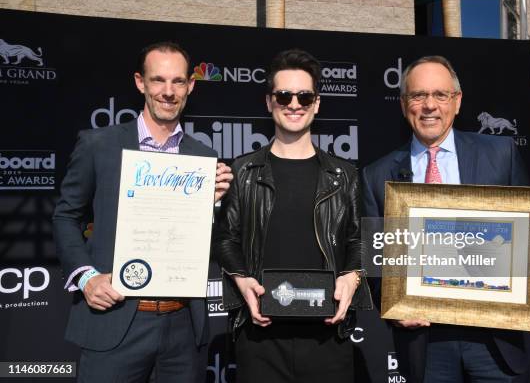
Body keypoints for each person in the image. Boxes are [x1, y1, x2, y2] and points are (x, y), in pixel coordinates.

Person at [361, 55, 530, 383]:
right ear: (404, 105)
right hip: (427, 344)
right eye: (418, 96)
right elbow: (376, 263)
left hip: (496, 339)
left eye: (440, 95)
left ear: (457, 102)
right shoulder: (377, 176)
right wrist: (394, 305)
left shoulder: (500, 154)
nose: (429, 105)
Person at [53, 41, 233, 383]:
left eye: (178, 81)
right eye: (158, 80)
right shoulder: (98, 145)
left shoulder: (203, 156)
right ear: (140, 83)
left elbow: (209, 241)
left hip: (183, 327)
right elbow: (66, 216)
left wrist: (214, 205)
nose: (168, 91)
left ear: (190, 86)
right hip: (115, 320)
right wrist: (86, 276)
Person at [213, 48, 372, 383]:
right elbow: (227, 237)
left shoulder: (345, 175)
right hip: (260, 335)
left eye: (304, 96)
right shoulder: (243, 170)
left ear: (317, 103)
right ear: (269, 101)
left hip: (329, 335)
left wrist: (351, 277)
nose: (294, 104)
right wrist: (242, 281)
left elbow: (358, 240)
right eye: (284, 95)